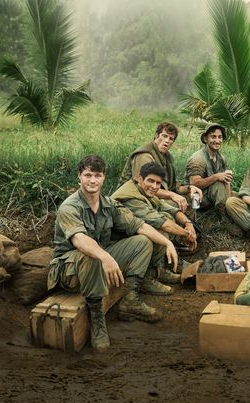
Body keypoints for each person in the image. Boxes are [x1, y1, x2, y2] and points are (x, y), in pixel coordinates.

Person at [48, 155, 178, 351]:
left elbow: (139, 225)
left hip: (99, 259)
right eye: (87, 175)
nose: (92, 180)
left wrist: (167, 242)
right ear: (79, 177)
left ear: (104, 178)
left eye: (97, 175)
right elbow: (80, 240)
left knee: (142, 242)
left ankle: (130, 300)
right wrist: (106, 257)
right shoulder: (69, 207)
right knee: (91, 254)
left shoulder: (107, 204)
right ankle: (98, 320)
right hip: (70, 270)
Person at [112, 162, 197, 291]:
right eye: (150, 181)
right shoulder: (131, 198)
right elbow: (162, 223)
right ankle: (147, 278)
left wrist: (188, 224)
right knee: (161, 232)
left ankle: (159, 270)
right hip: (117, 244)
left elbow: (169, 208)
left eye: (158, 183)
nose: (154, 186)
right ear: (140, 179)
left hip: (128, 236)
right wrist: (187, 235)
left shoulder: (140, 189)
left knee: (167, 216)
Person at [117, 121, 201, 213]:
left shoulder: (166, 157)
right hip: (133, 199)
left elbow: (170, 183)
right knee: (176, 204)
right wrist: (172, 195)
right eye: (164, 136)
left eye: (171, 138)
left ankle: (192, 224)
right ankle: (181, 225)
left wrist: (189, 188)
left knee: (194, 198)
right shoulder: (145, 155)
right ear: (156, 136)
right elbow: (143, 186)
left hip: (153, 194)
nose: (167, 141)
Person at [185, 123, 233, 218]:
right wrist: (216, 177)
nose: (217, 140)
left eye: (220, 137)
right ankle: (224, 218)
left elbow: (226, 180)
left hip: (211, 197)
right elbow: (194, 184)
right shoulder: (198, 158)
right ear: (206, 139)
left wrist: (230, 200)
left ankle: (228, 211)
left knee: (236, 197)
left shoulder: (221, 158)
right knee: (218, 185)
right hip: (197, 199)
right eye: (213, 137)